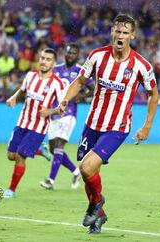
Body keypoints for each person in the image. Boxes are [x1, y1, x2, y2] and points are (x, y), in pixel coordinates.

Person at [59, 14, 158, 234]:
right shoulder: (97, 56)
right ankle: (99, 215)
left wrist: (147, 125)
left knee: (86, 167)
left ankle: (95, 204)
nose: (120, 36)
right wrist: (66, 97)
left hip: (118, 126)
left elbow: (153, 94)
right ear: (112, 32)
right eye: (117, 31)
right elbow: (80, 81)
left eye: (125, 32)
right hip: (93, 122)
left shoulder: (141, 65)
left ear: (132, 35)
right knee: (88, 172)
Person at [3, 48, 64, 198]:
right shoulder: (30, 76)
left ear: (54, 63)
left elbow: (63, 108)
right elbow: (22, 90)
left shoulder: (57, 83)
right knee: (11, 155)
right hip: (23, 121)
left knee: (19, 156)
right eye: (42, 58)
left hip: (39, 126)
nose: (44, 61)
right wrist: (14, 97)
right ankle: (39, 150)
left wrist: (50, 111)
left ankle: (11, 190)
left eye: (48, 59)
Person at [39, 43, 93, 190]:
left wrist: (79, 96)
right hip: (54, 112)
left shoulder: (81, 71)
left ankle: (50, 180)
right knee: (52, 148)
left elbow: (93, 89)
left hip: (69, 113)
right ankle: (76, 172)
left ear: (78, 55)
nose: (71, 55)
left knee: (59, 145)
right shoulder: (56, 70)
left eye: (74, 53)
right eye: (69, 53)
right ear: (65, 54)